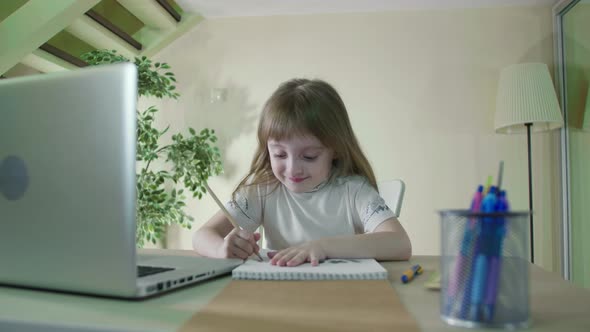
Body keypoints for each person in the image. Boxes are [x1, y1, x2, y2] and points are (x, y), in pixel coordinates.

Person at [193, 78, 411, 266]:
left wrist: (323, 247)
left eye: (309, 157)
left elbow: (400, 243)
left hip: (341, 297)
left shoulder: (353, 190)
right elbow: (202, 236)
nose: (292, 169)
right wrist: (221, 250)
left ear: (334, 149)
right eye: (279, 155)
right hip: (277, 296)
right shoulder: (262, 189)